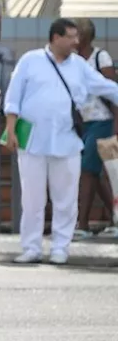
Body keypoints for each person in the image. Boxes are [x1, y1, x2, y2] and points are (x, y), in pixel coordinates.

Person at [4, 18, 118, 264]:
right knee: (32, 198)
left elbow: (106, 87)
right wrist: (10, 130)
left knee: (65, 198)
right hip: (32, 140)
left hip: (67, 140)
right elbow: (13, 97)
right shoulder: (30, 61)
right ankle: (32, 247)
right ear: (56, 38)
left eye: (77, 36)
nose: (76, 41)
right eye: (71, 37)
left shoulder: (79, 66)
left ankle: (60, 248)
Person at [73, 18, 118, 238]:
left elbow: (113, 91)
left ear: (84, 36)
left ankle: (82, 224)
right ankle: (115, 217)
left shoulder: (100, 57)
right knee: (97, 173)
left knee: (88, 171)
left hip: (103, 121)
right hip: (85, 123)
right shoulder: (72, 61)